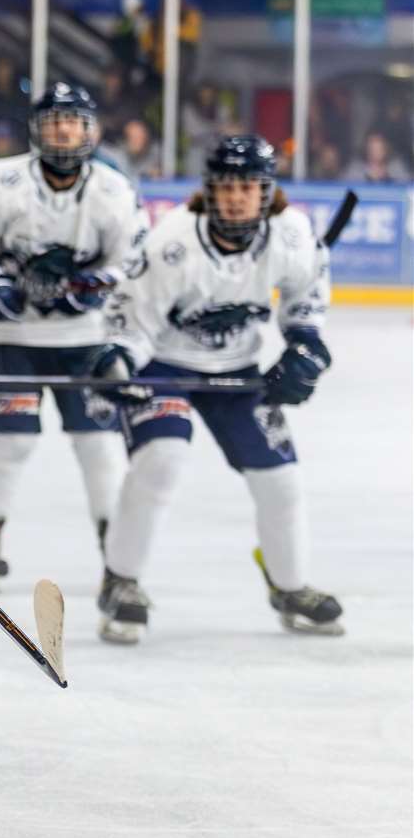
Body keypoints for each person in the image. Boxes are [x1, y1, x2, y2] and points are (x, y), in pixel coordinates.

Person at [88, 135, 343, 643]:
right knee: (161, 460)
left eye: (248, 186)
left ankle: (289, 585)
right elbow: (131, 322)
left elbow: (306, 297)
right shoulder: (173, 242)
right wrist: (117, 362)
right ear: (210, 190)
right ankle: (121, 581)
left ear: (267, 191)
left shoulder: (291, 236)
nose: (237, 197)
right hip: (165, 365)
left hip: (236, 371)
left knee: (280, 481)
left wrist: (304, 349)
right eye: (227, 186)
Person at [0, 82, 148, 590]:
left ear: (90, 130)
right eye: (54, 120)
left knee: (99, 446)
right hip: (11, 337)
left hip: (85, 339)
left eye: (72, 120)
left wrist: (93, 290)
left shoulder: (112, 189)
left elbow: (131, 259)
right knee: (11, 443)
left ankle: (114, 551)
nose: (63, 129)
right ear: (37, 129)